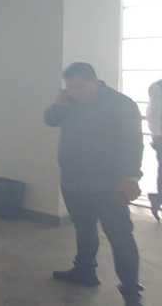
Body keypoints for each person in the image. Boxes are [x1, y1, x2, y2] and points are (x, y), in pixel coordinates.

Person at [44, 62, 143, 306]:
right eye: (69, 87)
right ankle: (84, 271)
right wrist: (58, 105)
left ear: (94, 81)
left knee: (120, 236)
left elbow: (132, 143)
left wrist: (130, 177)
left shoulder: (121, 104)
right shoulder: (70, 101)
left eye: (78, 87)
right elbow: (50, 120)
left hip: (108, 184)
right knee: (83, 227)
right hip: (73, 180)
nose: (74, 92)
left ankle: (131, 292)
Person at [145, 79, 162, 221]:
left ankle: (157, 198)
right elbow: (154, 114)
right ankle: (158, 198)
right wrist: (157, 135)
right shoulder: (158, 87)